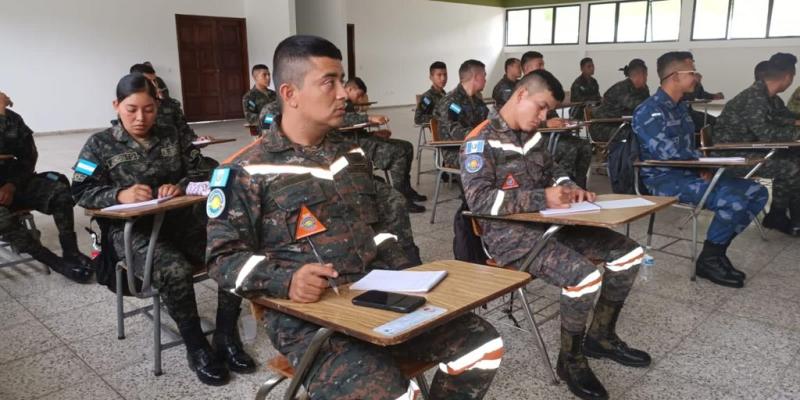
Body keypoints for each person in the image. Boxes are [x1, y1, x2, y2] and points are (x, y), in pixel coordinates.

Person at [206, 34, 503, 400]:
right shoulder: (247, 170)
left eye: (342, 80)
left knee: (481, 344)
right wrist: (287, 280)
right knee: (394, 393)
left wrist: (411, 278)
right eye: (328, 82)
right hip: (312, 317)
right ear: (290, 93)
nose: (344, 93)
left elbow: (378, 227)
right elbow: (222, 259)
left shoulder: (352, 153)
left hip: (377, 294)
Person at [461, 69, 650, 400]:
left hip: (550, 223)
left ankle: (600, 337)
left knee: (629, 253)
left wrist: (572, 189)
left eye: (548, 111)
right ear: (520, 95)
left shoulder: (532, 137)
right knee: (585, 277)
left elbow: (555, 172)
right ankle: (571, 359)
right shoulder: (480, 140)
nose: (544, 117)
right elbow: (479, 202)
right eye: (542, 107)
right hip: (510, 238)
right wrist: (542, 197)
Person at [71, 74, 255, 386]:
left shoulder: (173, 135)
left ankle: (226, 335)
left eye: (148, 109)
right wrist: (119, 195)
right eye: (131, 110)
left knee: (233, 252)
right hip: (132, 233)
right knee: (175, 269)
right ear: (116, 106)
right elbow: (79, 191)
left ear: (158, 107)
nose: (140, 118)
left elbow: (204, 169)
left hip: (181, 221)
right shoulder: (100, 144)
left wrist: (180, 185)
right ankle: (196, 346)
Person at [633, 51, 768, 289]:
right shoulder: (649, 110)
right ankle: (710, 259)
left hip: (689, 172)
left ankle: (714, 253)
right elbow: (666, 154)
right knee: (733, 200)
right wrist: (705, 163)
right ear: (675, 76)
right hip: (663, 179)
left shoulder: (680, 108)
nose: (697, 77)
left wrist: (701, 166)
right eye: (692, 72)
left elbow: (688, 148)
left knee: (756, 192)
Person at [0, 91, 93, 283]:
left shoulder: (12, 120)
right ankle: (56, 263)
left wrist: (11, 185)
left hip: (15, 184)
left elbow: (28, 157)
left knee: (59, 189)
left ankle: (71, 251)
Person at [714, 55, 800, 236]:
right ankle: (777, 215)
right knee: (791, 167)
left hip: (748, 148)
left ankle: (787, 217)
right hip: (732, 156)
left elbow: (783, 118)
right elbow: (766, 134)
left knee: (795, 158)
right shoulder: (755, 98)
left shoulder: (769, 97)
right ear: (788, 77)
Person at [340, 77, 427, 212]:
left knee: (406, 146)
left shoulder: (349, 104)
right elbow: (341, 121)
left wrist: (374, 134)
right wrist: (368, 118)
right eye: (359, 94)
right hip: (350, 146)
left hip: (360, 139)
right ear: (349, 89)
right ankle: (400, 198)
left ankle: (406, 189)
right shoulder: (339, 103)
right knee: (398, 152)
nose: (360, 98)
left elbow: (354, 128)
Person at [521, 51, 593, 189]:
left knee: (584, 145)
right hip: (533, 137)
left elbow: (551, 114)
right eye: (540, 65)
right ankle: (563, 188)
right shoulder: (521, 91)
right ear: (527, 69)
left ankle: (580, 188)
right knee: (570, 148)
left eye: (543, 64)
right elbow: (519, 124)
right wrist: (545, 123)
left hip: (552, 133)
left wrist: (562, 122)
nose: (543, 68)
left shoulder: (543, 89)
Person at [434, 59, 490, 168]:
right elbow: (455, 131)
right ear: (476, 77)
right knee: (495, 158)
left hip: (476, 144)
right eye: (484, 76)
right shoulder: (451, 101)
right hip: (457, 150)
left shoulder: (476, 100)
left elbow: (488, 121)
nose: (485, 80)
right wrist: (485, 136)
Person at [588, 59, 650, 143]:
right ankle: (628, 156)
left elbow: (647, 108)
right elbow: (640, 106)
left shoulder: (643, 89)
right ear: (640, 75)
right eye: (646, 75)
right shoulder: (622, 88)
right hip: (603, 126)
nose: (646, 78)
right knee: (636, 134)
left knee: (649, 130)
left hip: (622, 124)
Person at [414, 61, 448, 125]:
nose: (443, 78)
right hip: (441, 133)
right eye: (439, 75)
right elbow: (418, 118)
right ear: (431, 77)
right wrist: (438, 117)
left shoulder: (445, 95)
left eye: (445, 74)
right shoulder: (427, 98)